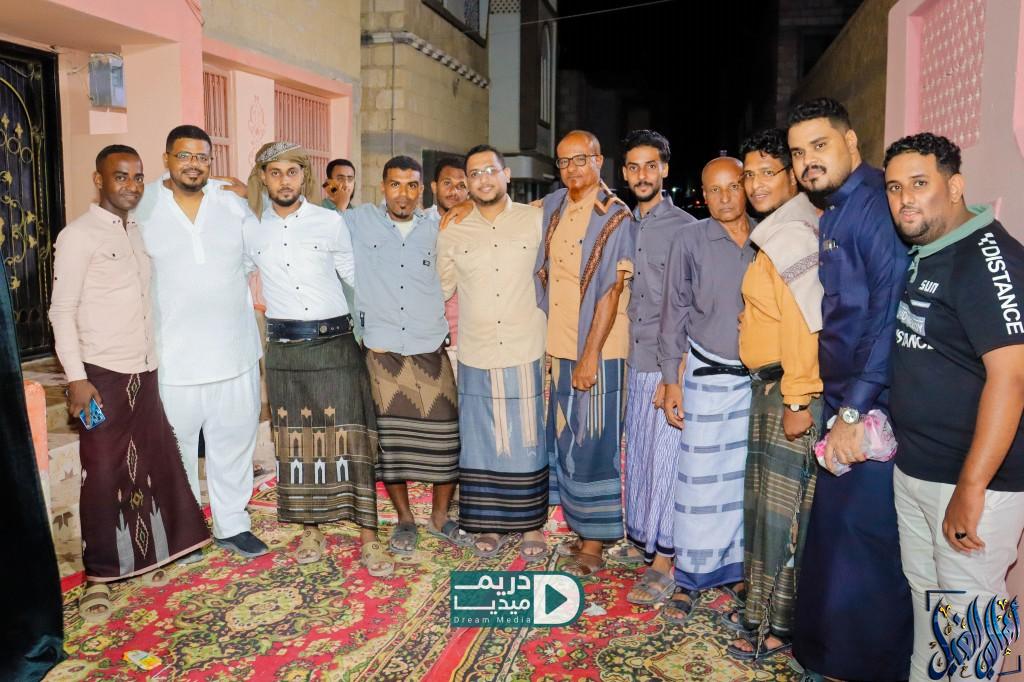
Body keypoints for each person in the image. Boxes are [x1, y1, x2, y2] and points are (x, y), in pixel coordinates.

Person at [49, 145, 209, 623]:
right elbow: (61, 311)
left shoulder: (136, 231)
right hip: (100, 377)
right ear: (99, 180)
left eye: (138, 177)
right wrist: (77, 380)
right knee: (101, 471)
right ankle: (98, 576)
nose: (132, 186)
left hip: (144, 372)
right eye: (120, 177)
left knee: (152, 462)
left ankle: (153, 553)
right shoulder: (77, 236)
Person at [885, 133, 1024, 680]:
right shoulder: (929, 251)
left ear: (956, 186)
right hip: (918, 470)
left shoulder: (988, 258)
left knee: (969, 629)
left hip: (973, 483)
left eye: (920, 183)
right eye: (895, 187)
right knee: (929, 609)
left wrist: (971, 487)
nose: (905, 199)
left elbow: (1012, 378)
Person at [787, 97, 913, 680]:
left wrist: (853, 412)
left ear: (852, 141)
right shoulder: (833, 209)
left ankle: (866, 667)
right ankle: (830, 658)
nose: (807, 161)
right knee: (835, 538)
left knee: (863, 545)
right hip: (843, 400)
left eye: (819, 146)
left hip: (872, 406)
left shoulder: (875, 205)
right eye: (798, 153)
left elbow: (888, 316)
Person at [243, 141, 390, 575]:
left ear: (304, 176)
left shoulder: (329, 222)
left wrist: (384, 329)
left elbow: (356, 276)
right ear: (263, 178)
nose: (284, 181)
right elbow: (235, 277)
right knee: (297, 444)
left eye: (292, 172)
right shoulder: (251, 229)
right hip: (285, 351)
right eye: (275, 172)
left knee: (353, 441)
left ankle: (369, 538)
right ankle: (311, 530)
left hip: (336, 345)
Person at [135, 125, 266, 559]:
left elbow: (255, 257)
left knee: (234, 444)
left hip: (235, 352)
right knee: (177, 451)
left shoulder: (231, 203)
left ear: (211, 160)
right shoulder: (143, 206)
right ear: (167, 158)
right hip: (174, 358)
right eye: (184, 155)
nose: (193, 165)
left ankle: (233, 525)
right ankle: (185, 531)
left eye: (202, 157)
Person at [726, 128, 823, 661]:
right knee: (764, 506)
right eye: (750, 174)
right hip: (772, 387)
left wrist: (798, 399)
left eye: (768, 172)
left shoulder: (793, 236)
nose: (756, 183)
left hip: (790, 389)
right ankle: (759, 608)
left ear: (792, 176)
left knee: (785, 513)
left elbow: (806, 322)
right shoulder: (778, 230)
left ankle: (778, 627)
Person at [347, 156, 469, 555]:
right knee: (390, 444)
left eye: (412, 185)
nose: (404, 193)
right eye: (395, 184)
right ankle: (404, 518)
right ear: (382, 186)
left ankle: (440, 517)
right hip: (382, 349)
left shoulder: (439, 227)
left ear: (422, 189)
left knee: (447, 437)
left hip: (429, 345)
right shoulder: (357, 222)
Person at [437, 144, 549, 561]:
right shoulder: (453, 229)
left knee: (527, 439)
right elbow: (440, 287)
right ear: (467, 183)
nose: (483, 179)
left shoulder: (536, 220)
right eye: (474, 174)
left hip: (525, 345)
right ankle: (490, 523)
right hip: (477, 349)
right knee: (482, 441)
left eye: (490, 170)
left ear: (507, 175)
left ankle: (532, 524)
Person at [657, 156, 755, 624]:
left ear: (746, 186)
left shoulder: (768, 236)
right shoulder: (690, 239)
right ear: (703, 193)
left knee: (741, 481)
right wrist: (670, 380)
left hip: (756, 382)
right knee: (697, 482)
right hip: (704, 375)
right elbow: (673, 311)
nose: (724, 198)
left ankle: (736, 570)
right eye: (713, 190)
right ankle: (690, 576)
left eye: (732, 186)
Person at [536, 130, 636, 578]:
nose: (572, 168)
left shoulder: (614, 215)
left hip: (599, 349)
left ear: (599, 161)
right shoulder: (555, 205)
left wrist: (590, 355)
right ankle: (580, 528)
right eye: (564, 161)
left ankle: (595, 541)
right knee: (567, 440)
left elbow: (612, 290)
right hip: (559, 345)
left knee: (595, 441)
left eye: (581, 159)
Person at [615, 130, 695, 605]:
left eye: (651, 165)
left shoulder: (686, 228)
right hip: (634, 357)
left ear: (664, 169)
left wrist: (674, 375)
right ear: (624, 173)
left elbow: (688, 306)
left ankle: (665, 561)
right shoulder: (624, 224)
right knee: (642, 456)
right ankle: (644, 539)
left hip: (668, 364)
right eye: (633, 167)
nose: (642, 175)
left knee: (667, 461)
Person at [427, 156, 468, 350]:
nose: (454, 191)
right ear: (434, 187)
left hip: (469, 337)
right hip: (428, 335)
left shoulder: (477, 226)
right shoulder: (420, 225)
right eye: (447, 183)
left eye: (461, 186)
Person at [320, 158, 361, 341]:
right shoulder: (318, 213)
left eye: (350, 179)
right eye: (340, 178)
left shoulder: (358, 214)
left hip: (357, 302)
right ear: (329, 183)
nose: (346, 184)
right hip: (332, 307)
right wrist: (340, 207)